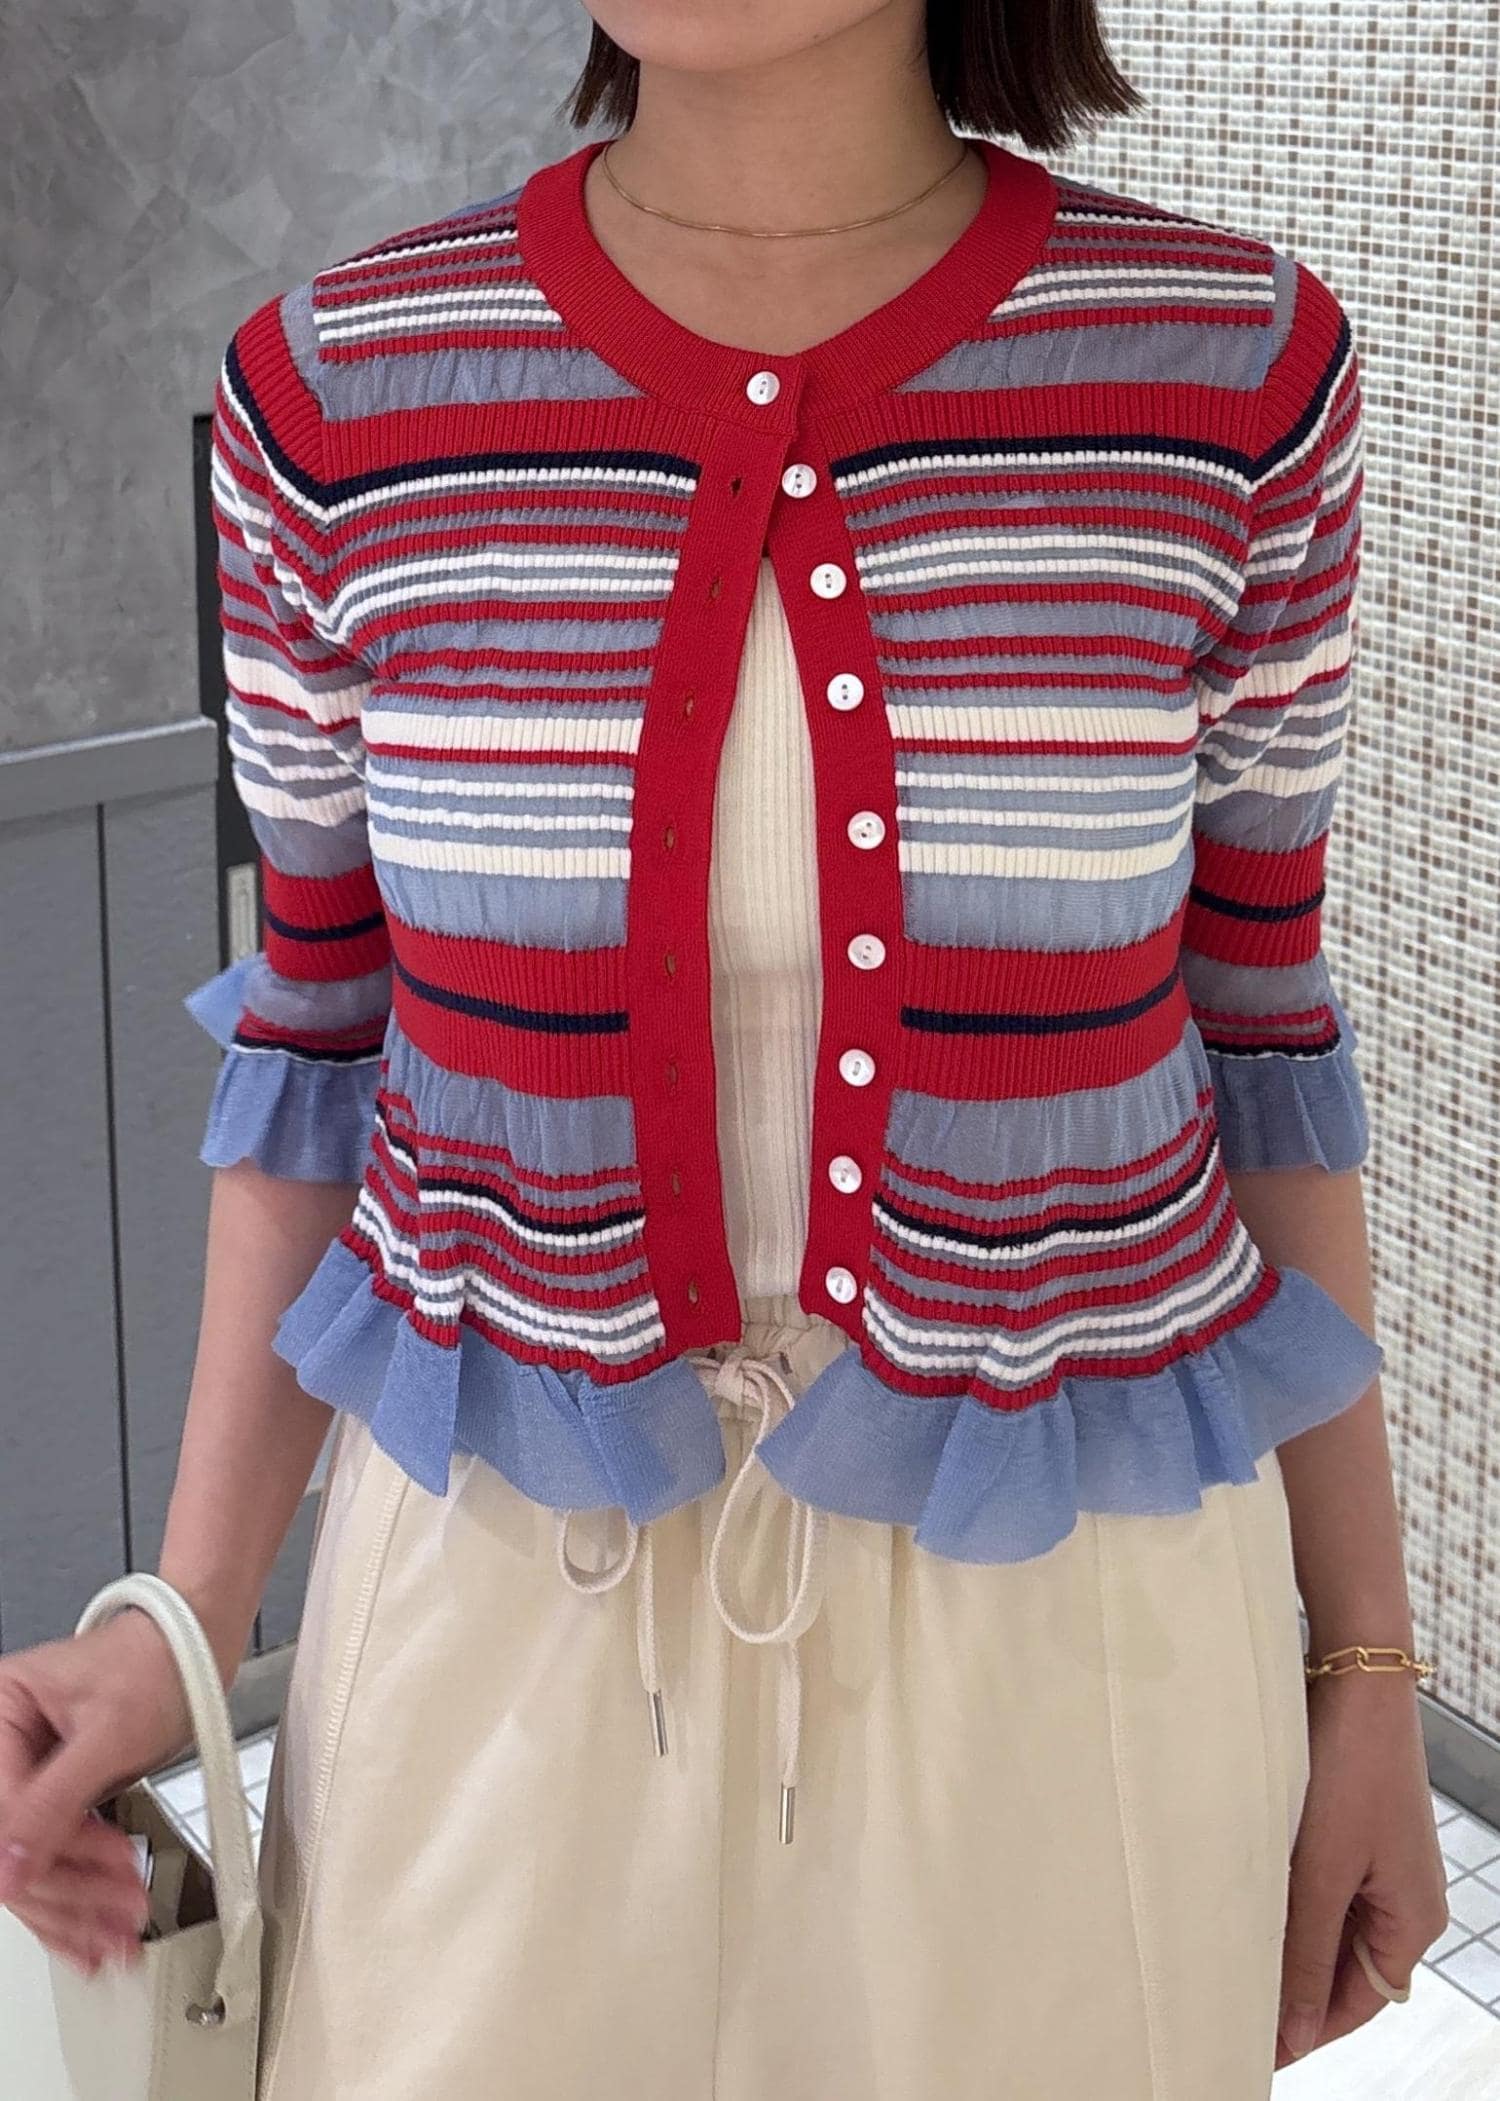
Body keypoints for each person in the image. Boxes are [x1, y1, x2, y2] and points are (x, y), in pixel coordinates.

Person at [0, 3, 1449, 2095]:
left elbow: (1263, 1044)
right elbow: (319, 1056)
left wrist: (1367, 1666)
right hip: (498, 1649)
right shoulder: (336, 394)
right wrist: (186, 1617)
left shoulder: (1231, 376)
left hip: (1071, 1651)